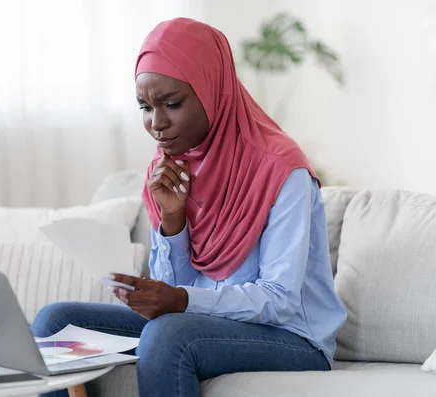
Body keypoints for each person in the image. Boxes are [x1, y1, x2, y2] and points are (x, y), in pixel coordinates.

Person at [31, 17, 347, 397]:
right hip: (196, 321)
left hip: (291, 337)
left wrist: (181, 301)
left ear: (213, 90)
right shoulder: (168, 169)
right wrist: (172, 219)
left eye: (172, 104)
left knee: (169, 335)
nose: (157, 124)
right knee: (56, 323)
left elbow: (279, 300)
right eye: (145, 107)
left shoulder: (281, 169)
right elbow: (172, 288)